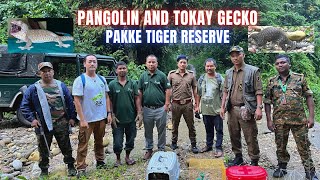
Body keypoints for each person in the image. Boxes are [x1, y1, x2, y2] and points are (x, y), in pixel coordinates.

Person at [264, 54, 318, 180]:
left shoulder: (300, 78)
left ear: (289, 64)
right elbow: (267, 101)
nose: (280, 65)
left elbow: (309, 97)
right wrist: (269, 120)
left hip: (298, 120)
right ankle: (282, 168)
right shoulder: (272, 81)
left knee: (304, 146)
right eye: (277, 63)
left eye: (282, 62)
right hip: (279, 120)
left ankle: (310, 172)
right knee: (280, 146)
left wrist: (311, 117)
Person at [20, 62, 77, 176]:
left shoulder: (61, 85)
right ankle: (44, 170)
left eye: (49, 71)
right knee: (43, 147)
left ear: (53, 72)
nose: (47, 73)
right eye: (44, 71)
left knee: (66, 146)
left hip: (61, 120)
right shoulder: (33, 88)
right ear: (39, 73)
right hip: (42, 123)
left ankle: (70, 166)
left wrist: (71, 117)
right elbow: (24, 106)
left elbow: (70, 102)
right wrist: (32, 119)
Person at [220, 45, 263, 166]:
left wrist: (259, 108)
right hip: (232, 109)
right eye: (232, 56)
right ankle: (238, 157)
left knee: (250, 135)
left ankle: (254, 160)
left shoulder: (253, 71)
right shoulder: (228, 72)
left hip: (246, 109)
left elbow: (258, 91)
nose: (235, 58)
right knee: (234, 134)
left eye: (237, 55)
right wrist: (222, 107)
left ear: (243, 55)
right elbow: (225, 91)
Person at [72, 55, 111, 176]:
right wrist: (82, 119)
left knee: (99, 141)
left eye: (94, 61)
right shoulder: (80, 80)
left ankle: (100, 161)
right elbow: (77, 101)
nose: (92, 64)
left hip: (101, 118)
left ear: (97, 64)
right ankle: (81, 167)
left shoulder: (102, 79)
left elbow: (106, 96)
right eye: (90, 62)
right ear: (84, 64)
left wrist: (109, 113)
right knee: (83, 143)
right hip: (87, 120)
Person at [107, 61, 142, 167]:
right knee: (117, 141)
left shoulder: (132, 83)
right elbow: (109, 99)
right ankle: (118, 159)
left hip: (131, 118)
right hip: (117, 119)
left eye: (124, 68)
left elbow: (137, 98)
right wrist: (111, 113)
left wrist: (139, 112)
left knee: (131, 139)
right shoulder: (112, 84)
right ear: (116, 70)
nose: (122, 70)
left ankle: (127, 156)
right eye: (120, 68)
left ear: (127, 70)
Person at [138, 54, 171, 160]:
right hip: (147, 108)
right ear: (146, 64)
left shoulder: (161, 75)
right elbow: (140, 92)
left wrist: (167, 104)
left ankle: (161, 149)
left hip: (160, 108)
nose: (151, 64)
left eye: (153, 62)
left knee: (161, 130)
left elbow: (168, 89)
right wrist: (140, 108)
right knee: (148, 130)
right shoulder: (143, 76)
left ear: (157, 63)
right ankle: (149, 149)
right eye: (149, 62)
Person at [168, 55, 199, 154]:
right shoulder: (172, 75)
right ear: (177, 63)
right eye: (181, 62)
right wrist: (168, 103)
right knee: (174, 124)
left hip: (188, 104)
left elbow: (195, 89)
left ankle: (193, 144)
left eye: (184, 62)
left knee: (191, 125)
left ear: (187, 63)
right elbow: (168, 89)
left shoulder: (191, 75)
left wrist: (196, 103)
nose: (182, 64)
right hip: (175, 104)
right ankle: (174, 143)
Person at [195, 58, 224, 157]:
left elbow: (224, 94)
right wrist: (197, 106)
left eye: (211, 66)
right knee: (208, 129)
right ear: (205, 67)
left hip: (217, 109)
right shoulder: (202, 78)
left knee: (219, 130)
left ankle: (219, 148)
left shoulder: (219, 79)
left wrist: (223, 108)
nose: (209, 68)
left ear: (215, 66)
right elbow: (198, 93)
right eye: (207, 66)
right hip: (205, 109)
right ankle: (209, 145)